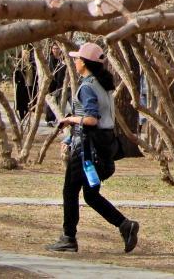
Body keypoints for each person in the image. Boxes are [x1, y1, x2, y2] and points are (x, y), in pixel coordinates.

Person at [45, 42, 139, 254]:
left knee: (70, 191)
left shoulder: (87, 86)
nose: (75, 61)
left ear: (85, 63)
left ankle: (68, 237)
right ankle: (125, 225)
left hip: (86, 148)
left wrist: (70, 120)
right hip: (104, 146)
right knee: (90, 195)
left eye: (77, 58)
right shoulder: (103, 85)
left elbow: (90, 120)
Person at [45, 42, 67, 125]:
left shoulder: (63, 58)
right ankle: (49, 119)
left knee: (60, 101)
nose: (55, 50)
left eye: (57, 48)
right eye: (54, 48)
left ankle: (58, 118)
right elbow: (52, 70)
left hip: (61, 83)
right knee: (52, 101)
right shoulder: (50, 59)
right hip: (52, 84)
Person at [13, 45, 37, 121]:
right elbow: (15, 75)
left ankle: (26, 117)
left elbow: (35, 75)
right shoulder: (19, 65)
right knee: (21, 104)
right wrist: (18, 81)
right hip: (21, 87)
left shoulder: (32, 65)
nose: (27, 56)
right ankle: (21, 118)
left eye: (28, 54)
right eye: (25, 54)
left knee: (29, 103)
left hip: (30, 86)